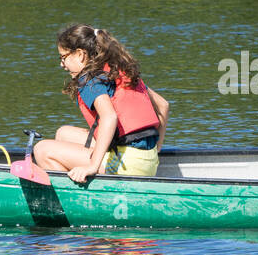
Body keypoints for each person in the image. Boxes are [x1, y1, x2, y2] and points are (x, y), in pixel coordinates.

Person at [33, 25, 170, 182]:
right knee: (63, 134)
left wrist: (92, 166)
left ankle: (80, 198)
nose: (62, 65)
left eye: (63, 57)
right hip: (147, 161)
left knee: (42, 150)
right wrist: (155, 151)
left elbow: (110, 117)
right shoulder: (118, 71)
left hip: (126, 164)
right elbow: (164, 106)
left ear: (80, 55)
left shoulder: (89, 80)